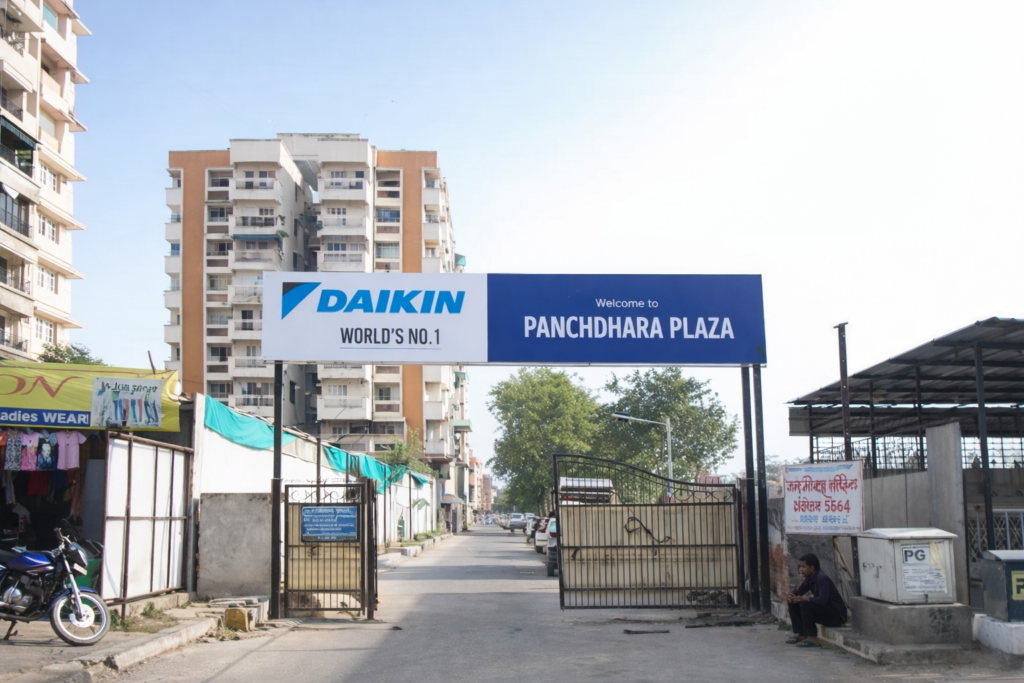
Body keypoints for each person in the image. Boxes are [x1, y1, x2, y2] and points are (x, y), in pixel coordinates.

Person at [782, 553, 847, 648]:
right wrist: (791, 596)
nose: (800, 569)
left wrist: (805, 599)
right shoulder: (809, 578)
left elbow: (823, 600)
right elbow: (799, 590)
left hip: (837, 616)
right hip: (825, 612)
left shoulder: (822, 579)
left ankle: (813, 638)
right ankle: (802, 634)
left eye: (803, 567)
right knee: (793, 602)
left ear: (812, 568)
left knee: (806, 604)